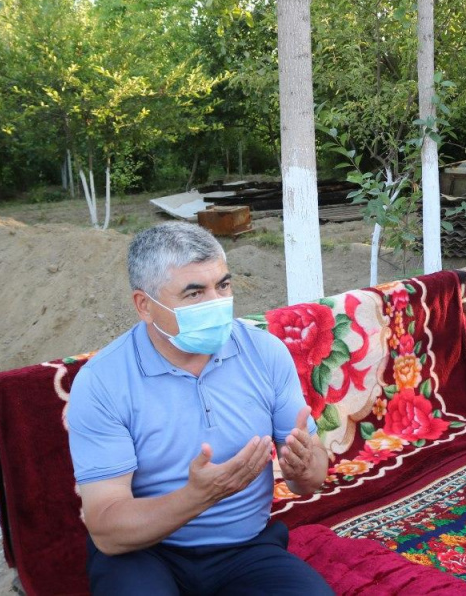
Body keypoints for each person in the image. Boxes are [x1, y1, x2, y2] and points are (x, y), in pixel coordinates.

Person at [67, 222, 333, 596]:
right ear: (145, 305)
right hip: (144, 551)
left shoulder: (265, 353)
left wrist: (305, 466)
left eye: (222, 285)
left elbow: (311, 478)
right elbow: (107, 529)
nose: (217, 304)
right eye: (194, 293)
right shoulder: (102, 382)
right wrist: (197, 496)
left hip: (246, 548)